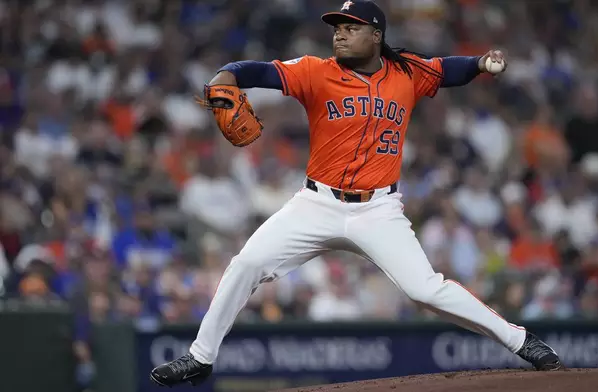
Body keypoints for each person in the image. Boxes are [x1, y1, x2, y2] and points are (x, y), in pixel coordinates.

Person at [150, 1, 562, 387]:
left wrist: (480, 64)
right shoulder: (315, 71)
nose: (339, 35)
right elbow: (255, 71)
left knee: (425, 289)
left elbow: (446, 69)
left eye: (351, 28)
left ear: (376, 35)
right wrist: (226, 74)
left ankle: (520, 341)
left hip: (378, 209)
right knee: (246, 264)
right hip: (316, 203)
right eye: (337, 28)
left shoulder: (407, 72)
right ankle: (201, 357)